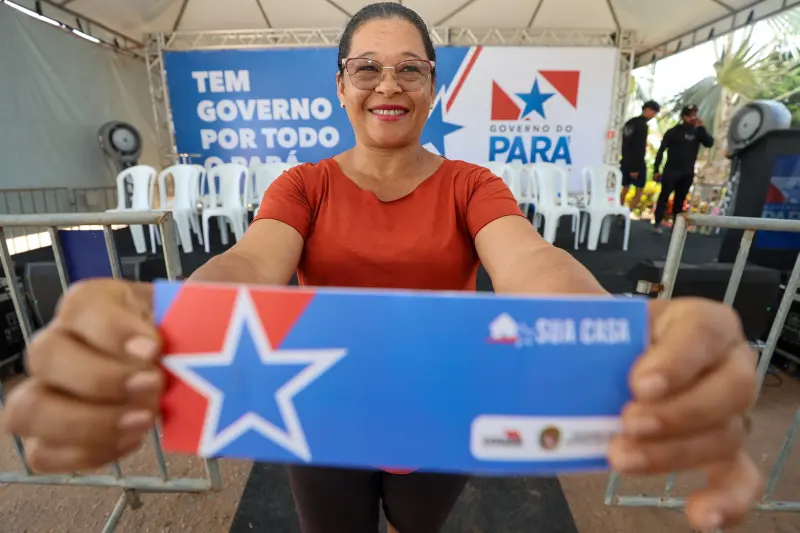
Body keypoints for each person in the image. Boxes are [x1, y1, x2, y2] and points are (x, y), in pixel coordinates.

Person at [1, 4, 762, 533]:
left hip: (440, 403)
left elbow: (534, 261)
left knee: (415, 524)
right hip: (315, 401)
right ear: (340, 85)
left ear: (432, 85)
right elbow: (251, 259)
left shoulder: (471, 184)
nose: (388, 85)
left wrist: (624, 333)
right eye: (366, 68)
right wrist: (169, 323)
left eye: (409, 69)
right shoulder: (302, 185)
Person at [652, 105, 715, 234]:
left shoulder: (698, 132)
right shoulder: (673, 132)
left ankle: (676, 226)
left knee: (680, 200)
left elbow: (709, 143)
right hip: (671, 170)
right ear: (683, 117)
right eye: (690, 115)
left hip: (687, 172)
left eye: (694, 114)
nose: (693, 117)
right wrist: (656, 169)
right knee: (664, 197)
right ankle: (658, 222)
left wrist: (702, 128)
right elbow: (661, 151)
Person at [620, 100, 660, 211]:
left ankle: (619, 211)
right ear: (646, 109)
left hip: (625, 160)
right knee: (639, 191)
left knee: (625, 188)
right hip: (635, 163)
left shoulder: (630, 122)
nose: (654, 115)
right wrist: (634, 168)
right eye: (653, 111)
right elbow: (638, 147)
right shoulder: (641, 125)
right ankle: (625, 214)